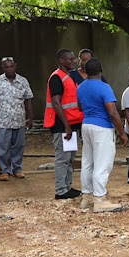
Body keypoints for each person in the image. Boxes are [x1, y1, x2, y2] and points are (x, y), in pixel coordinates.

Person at [77, 58, 129, 213]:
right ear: (101, 70)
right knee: (102, 163)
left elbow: (80, 107)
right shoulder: (104, 87)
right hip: (102, 127)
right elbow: (113, 112)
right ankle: (100, 199)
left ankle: (87, 197)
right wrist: (122, 133)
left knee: (88, 162)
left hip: (86, 125)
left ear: (86, 71)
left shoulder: (80, 87)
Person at [44, 49, 84, 200]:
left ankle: (68, 186)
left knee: (70, 158)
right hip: (62, 125)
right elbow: (56, 102)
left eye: (73, 59)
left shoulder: (71, 76)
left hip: (72, 123)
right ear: (61, 60)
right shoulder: (56, 77)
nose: (73, 61)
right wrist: (66, 125)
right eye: (70, 59)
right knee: (62, 158)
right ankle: (60, 190)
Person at [0, 56, 34, 181]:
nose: (9, 69)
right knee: (2, 147)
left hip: (19, 121)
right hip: (3, 121)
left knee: (18, 146)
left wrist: (30, 118)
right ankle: (4, 170)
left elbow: (28, 100)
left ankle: (17, 169)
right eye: (6, 67)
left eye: (11, 66)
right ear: (2, 68)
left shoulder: (23, 81)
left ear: (15, 66)